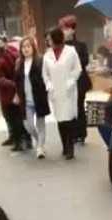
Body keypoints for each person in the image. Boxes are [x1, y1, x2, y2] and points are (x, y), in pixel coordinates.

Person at [43, 27, 82, 160]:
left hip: (68, 90)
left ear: (56, 39)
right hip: (55, 91)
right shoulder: (47, 55)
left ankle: (70, 147)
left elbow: (77, 69)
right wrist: (49, 85)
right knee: (60, 119)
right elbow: (45, 74)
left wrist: (71, 82)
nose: (48, 41)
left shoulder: (70, 52)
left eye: (49, 39)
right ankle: (64, 146)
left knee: (69, 119)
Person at [0, 35, 31, 151]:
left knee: (13, 118)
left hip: (8, 94)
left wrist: (10, 84)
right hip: (16, 90)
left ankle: (18, 142)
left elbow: (0, 79)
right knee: (19, 117)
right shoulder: (12, 53)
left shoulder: (0, 61)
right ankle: (26, 140)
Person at [15, 36, 50, 159]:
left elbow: (47, 77)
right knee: (28, 125)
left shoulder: (40, 60)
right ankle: (39, 141)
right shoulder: (19, 63)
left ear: (33, 47)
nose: (26, 49)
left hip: (39, 97)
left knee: (41, 124)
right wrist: (17, 95)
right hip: (26, 100)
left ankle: (40, 147)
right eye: (23, 47)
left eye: (28, 46)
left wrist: (48, 89)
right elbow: (17, 81)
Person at [60, 15, 92, 144]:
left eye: (66, 28)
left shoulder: (81, 45)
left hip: (80, 80)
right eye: (63, 29)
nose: (64, 31)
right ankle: (72, 133)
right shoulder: (61, 47)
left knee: (78, 106)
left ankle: (81, 133)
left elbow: (85, 61)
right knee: (69, 107)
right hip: (66, 81)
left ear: (73, 29)